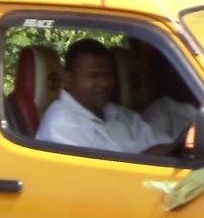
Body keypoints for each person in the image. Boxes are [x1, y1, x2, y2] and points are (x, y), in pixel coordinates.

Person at [37, 38, 178, 156]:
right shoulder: (61, 126)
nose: (104, 83)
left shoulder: (121, 115)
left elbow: (167, 148)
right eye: (94, 76)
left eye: (107, 75)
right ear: (68, 79)